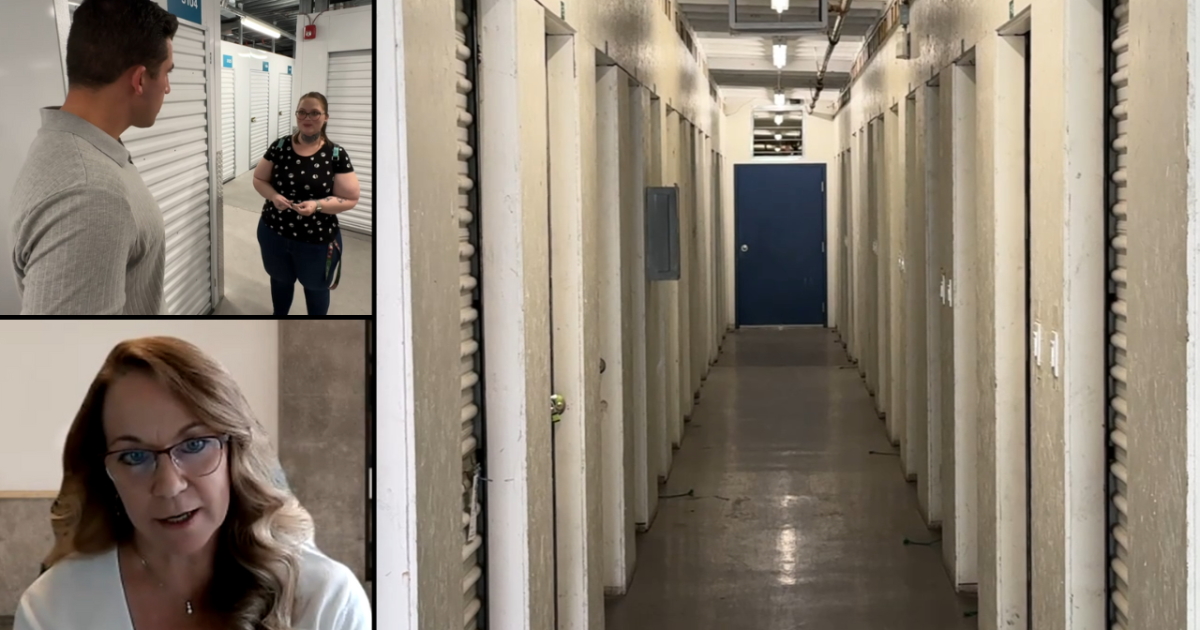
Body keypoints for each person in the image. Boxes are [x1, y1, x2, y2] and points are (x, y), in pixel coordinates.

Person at [14, 337, 371, 630]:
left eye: (195, 445)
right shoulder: (52, 610)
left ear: (236, 452)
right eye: (134, 456)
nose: (169, 486)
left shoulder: (325, 602)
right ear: (105, 473)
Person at [10, 0, 173, 315]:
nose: (167, 87)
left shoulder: (75, 146)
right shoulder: (90, 194)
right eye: (167, 72)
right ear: (140, 80)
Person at [254, 93, 361, 316]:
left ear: (326, 117)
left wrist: (317, 205)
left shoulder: (335, 154)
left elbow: (350, 198)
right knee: (280, 281)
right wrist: (274, 196)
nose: (307, 118)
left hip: (316, 241)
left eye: (314, 113)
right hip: (274, 233)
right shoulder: (280, 146)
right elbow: (259, 179)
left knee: (316, 288)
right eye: (302, 112)